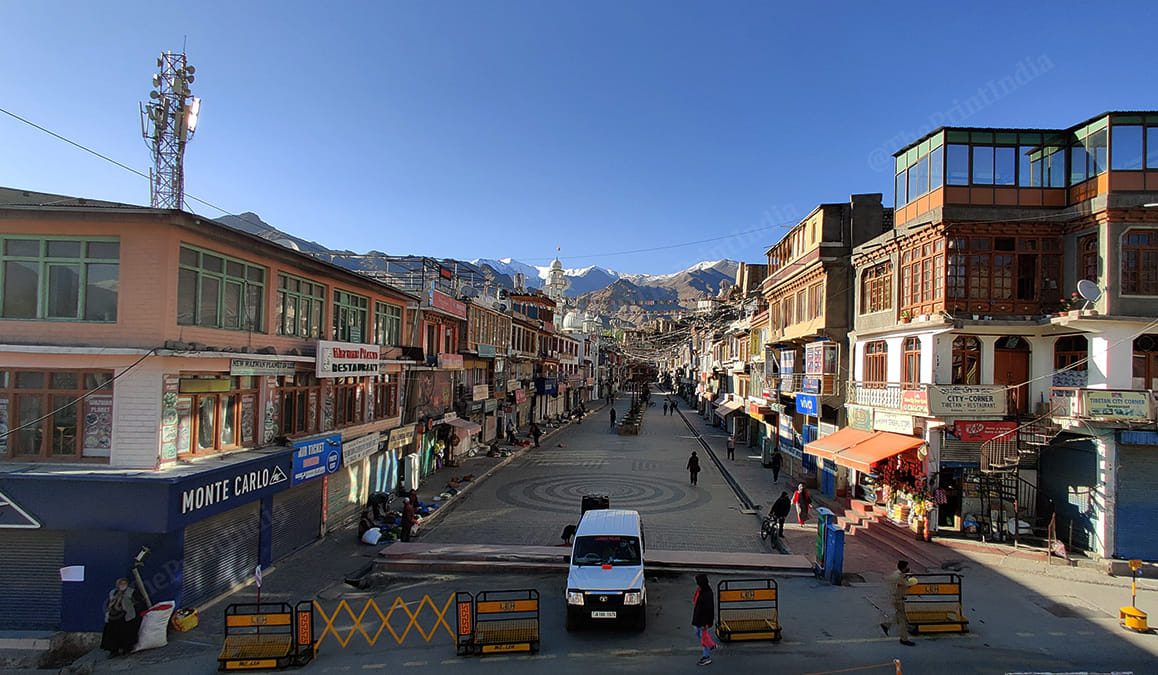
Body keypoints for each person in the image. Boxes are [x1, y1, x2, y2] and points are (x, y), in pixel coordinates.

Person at [881, 560, 917, 646]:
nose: (908, 568)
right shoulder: (899, 578)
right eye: (907, 567)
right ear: (904, 568)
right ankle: (904, 639)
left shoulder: (897, 574)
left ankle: (887, 625)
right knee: (903, 620)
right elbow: (909, 583)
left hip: (895, 598)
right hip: (898, 600)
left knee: (898, 615)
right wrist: (913, 579)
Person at [100, 578, 139, 658]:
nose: (122, 585)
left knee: (126, 633)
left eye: (124, 583)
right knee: (111, 633)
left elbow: (137, 602)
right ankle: (113, 651)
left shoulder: (131, 592)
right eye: (121, 584)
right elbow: (110, 603)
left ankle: (126, 649)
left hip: (126, 616)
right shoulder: (113, 592)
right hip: (114, 616)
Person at [691, 573, 715, 666]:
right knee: (699, 633)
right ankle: (711, 645)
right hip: (699, 618)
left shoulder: (706, 593)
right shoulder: (702, 590)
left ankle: (706, 657)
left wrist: (705, 623)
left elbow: (708, 610)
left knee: (703, 637)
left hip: (702, 620)